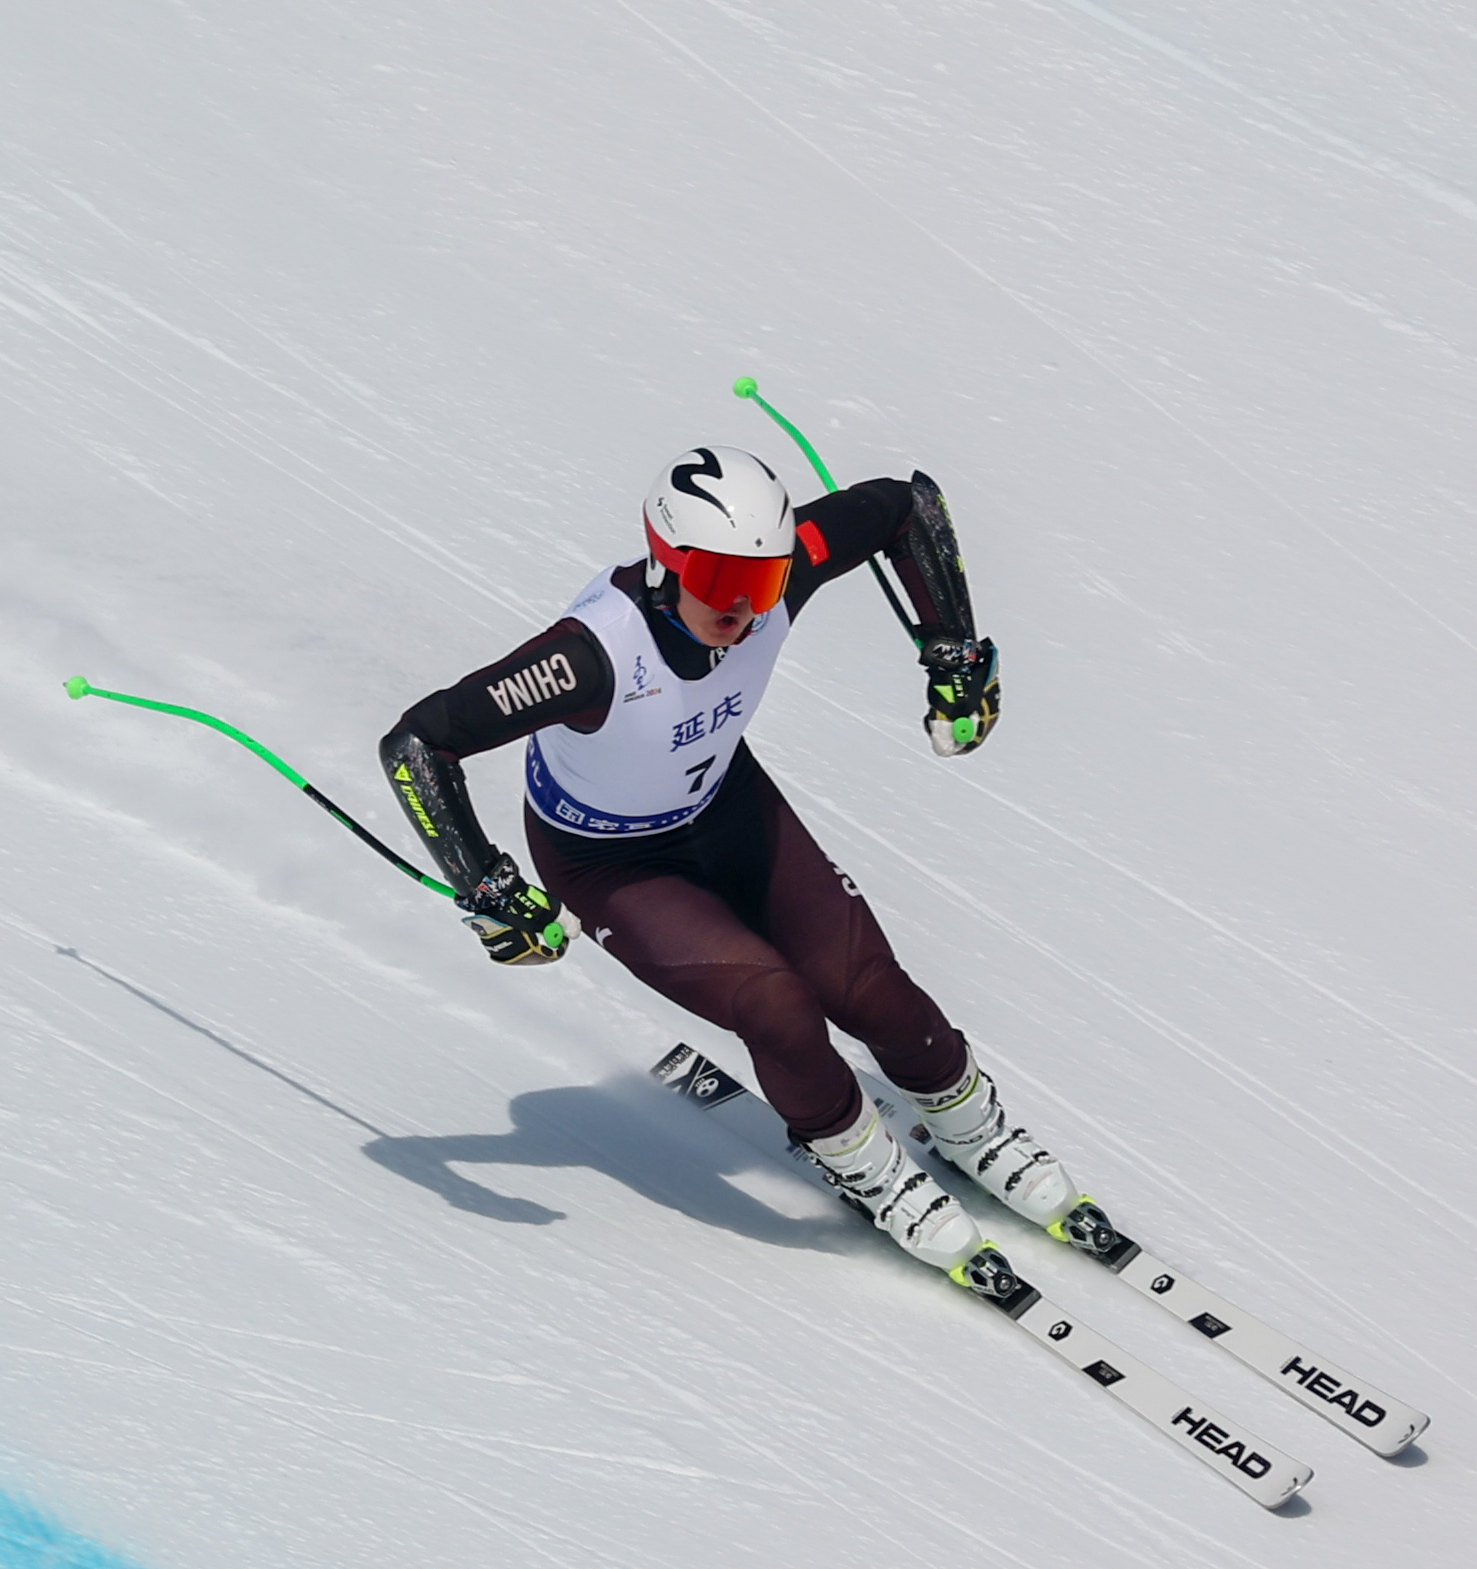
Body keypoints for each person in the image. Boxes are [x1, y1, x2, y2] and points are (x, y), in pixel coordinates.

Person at [379, 442, 1078, 1280]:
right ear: (667, 561)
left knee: (875, 995)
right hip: (608, 861)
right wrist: (488, 885)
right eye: (718, 582)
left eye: (763, 583)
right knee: (777, 1005)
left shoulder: (780, 575)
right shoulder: (587, 655)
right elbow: (417, 744)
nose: (743, 609)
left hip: (724, 805)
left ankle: (974, 1129)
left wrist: (953, 653)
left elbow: (905, 502)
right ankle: (871, 1173)